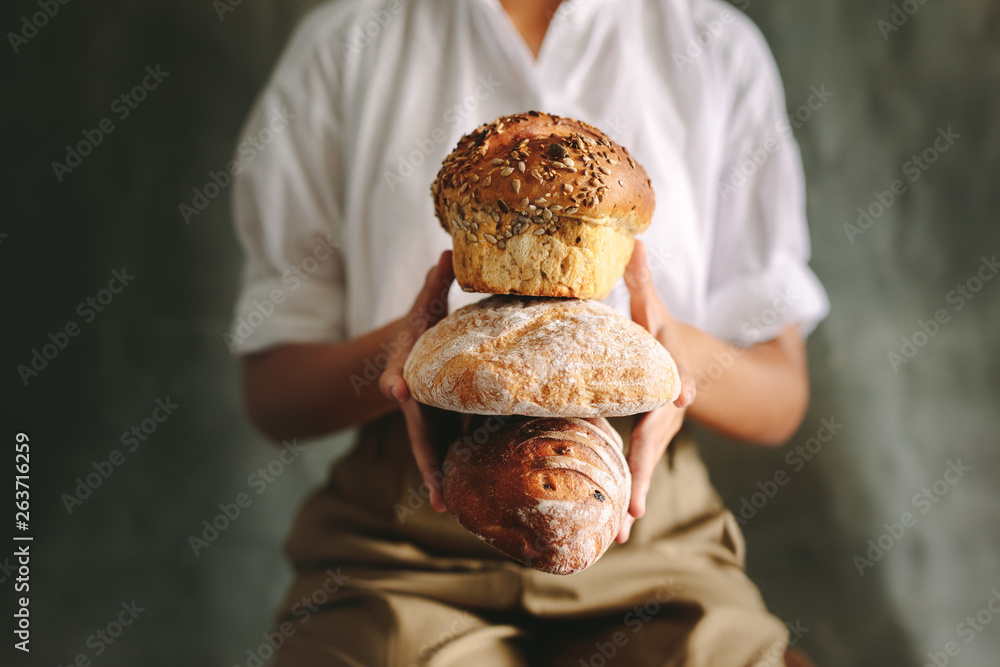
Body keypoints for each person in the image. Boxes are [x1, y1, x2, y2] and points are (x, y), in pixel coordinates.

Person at [229, 0, 829, 664]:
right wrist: (411, 351)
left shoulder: (713, 46)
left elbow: (781, 393)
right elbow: (272, 389)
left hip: (649, 529)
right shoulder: (345, 43)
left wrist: (674, 355)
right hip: (406, 540)